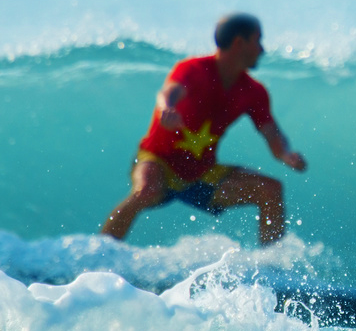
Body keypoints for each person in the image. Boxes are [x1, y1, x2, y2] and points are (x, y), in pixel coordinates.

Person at [101, 13, 307, 244]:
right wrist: (166, 108)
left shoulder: (253, 91)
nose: (262, 49)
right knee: (146, 189)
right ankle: (99, 255)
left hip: (200, 173)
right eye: (257, 41)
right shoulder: (194, 69)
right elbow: (169, 92)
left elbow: (270, 131)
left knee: (271, 189)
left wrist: (286, 154)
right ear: (239, 43)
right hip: (158, 161)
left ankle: (272, 268)